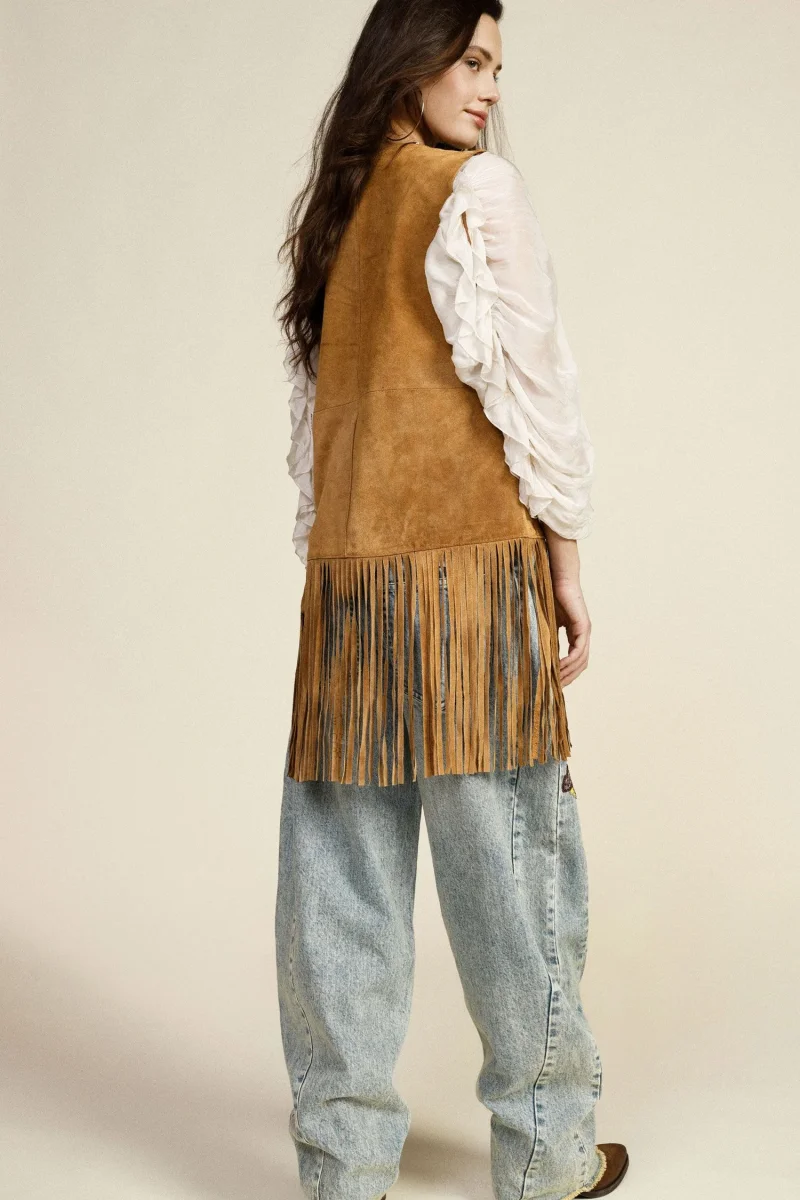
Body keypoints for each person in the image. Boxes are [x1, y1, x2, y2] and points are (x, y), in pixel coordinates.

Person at [273, 3, 629, 1198]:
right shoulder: (474, 195)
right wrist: (563, 561)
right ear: (410, 57)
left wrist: (334, 565)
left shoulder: (335, 219)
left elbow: (317, 434)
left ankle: (343, 1171)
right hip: (468, 581)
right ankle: (545, 1154)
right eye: (471, 60)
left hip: (347, 589)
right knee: (510, 874)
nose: (487, 88)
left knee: (339, 890)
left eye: (494, 66)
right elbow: (532, 389)